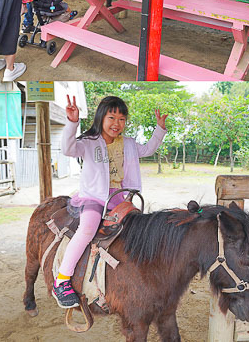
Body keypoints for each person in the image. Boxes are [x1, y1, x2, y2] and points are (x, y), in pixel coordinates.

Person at [52, 95, 167, 309]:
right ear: (101, 117)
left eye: (122, 119)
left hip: (120, 197)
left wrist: (159, 129)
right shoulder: (88, 142)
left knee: (139, 228)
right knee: (87, 229)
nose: (117, 123)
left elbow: (149, 149)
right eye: (112, 117)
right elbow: (67, 149)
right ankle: (61, 280)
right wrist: (72, 122)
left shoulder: (129, 144)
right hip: (93, 196)